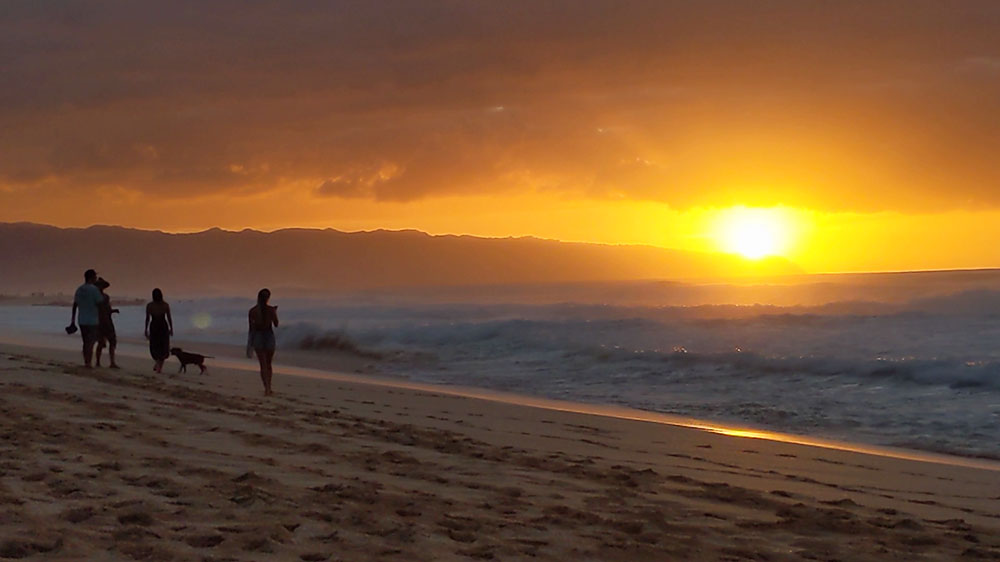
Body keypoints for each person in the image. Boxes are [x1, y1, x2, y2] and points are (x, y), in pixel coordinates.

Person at [68, 269, 103, 368]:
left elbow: (75, 305)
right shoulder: (94, 289)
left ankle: (86, 361)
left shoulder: (79, 289)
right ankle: (88, 362)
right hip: (93, 320)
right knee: (91, 342)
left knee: (85, 342)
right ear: (92, 277)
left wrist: (72, 320)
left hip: (82, 319)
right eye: (95, 277)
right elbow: (100, 303)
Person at [248, 288, 279, 395]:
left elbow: (251, 329)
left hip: (257, 336)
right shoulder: (270, 310)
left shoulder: (252, 311)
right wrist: (275, 312)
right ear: (268, 298)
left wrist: (250, 345)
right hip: (268, 335)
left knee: (263, 365)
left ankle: (266, 388)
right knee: (269, 364)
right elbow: (276, 324)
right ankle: (269, 387)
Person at [145, 288, 173, 373]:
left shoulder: (150, 305)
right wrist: (171, 328)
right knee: (163, 346)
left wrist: (145, 329)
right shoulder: (165, 305)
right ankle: (159, 366)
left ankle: (158, 364)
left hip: (154, 326)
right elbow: (169, 318)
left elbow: (147, 319)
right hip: (163, 326)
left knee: (155, 346)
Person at [94, 277, 119, 369]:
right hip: (100, 321)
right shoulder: (96, 297)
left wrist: (113, 311)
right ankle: (97, 362)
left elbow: (107, 309)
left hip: (107, 321)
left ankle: (112, 362)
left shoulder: (106, 297)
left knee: (112, 341)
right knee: (101, 342)